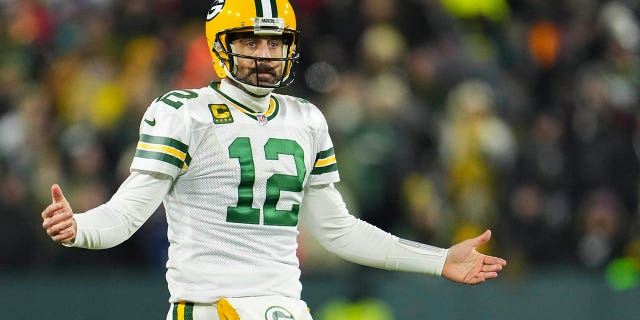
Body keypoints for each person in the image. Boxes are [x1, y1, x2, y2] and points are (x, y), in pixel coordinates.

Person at [41, 0, 507, 319]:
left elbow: (336, 229)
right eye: (251, 42)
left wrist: (438, 259)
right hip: (210, 307)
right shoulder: (184, 112)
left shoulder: (304, 118)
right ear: (221, 43)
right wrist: (79, 227)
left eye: (274, 42)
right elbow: (127, 213)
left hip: (285, 307)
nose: (265, 55)